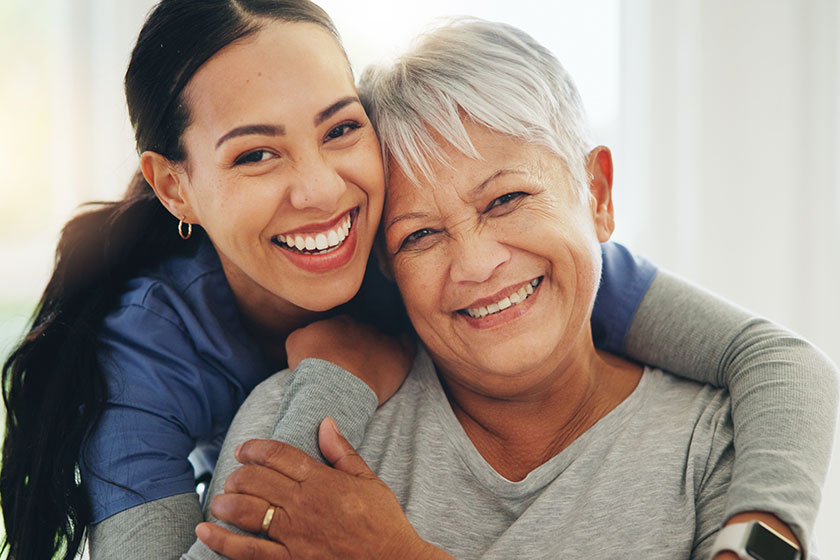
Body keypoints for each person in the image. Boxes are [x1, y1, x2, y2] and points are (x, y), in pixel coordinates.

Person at [0, 2, 834, 559]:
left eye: (338, 129)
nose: (321, 190)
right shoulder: (148, 363)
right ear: (175, 186)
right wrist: (335, 384)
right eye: (255, 154)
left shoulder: (510, 270)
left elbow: (775, 359)